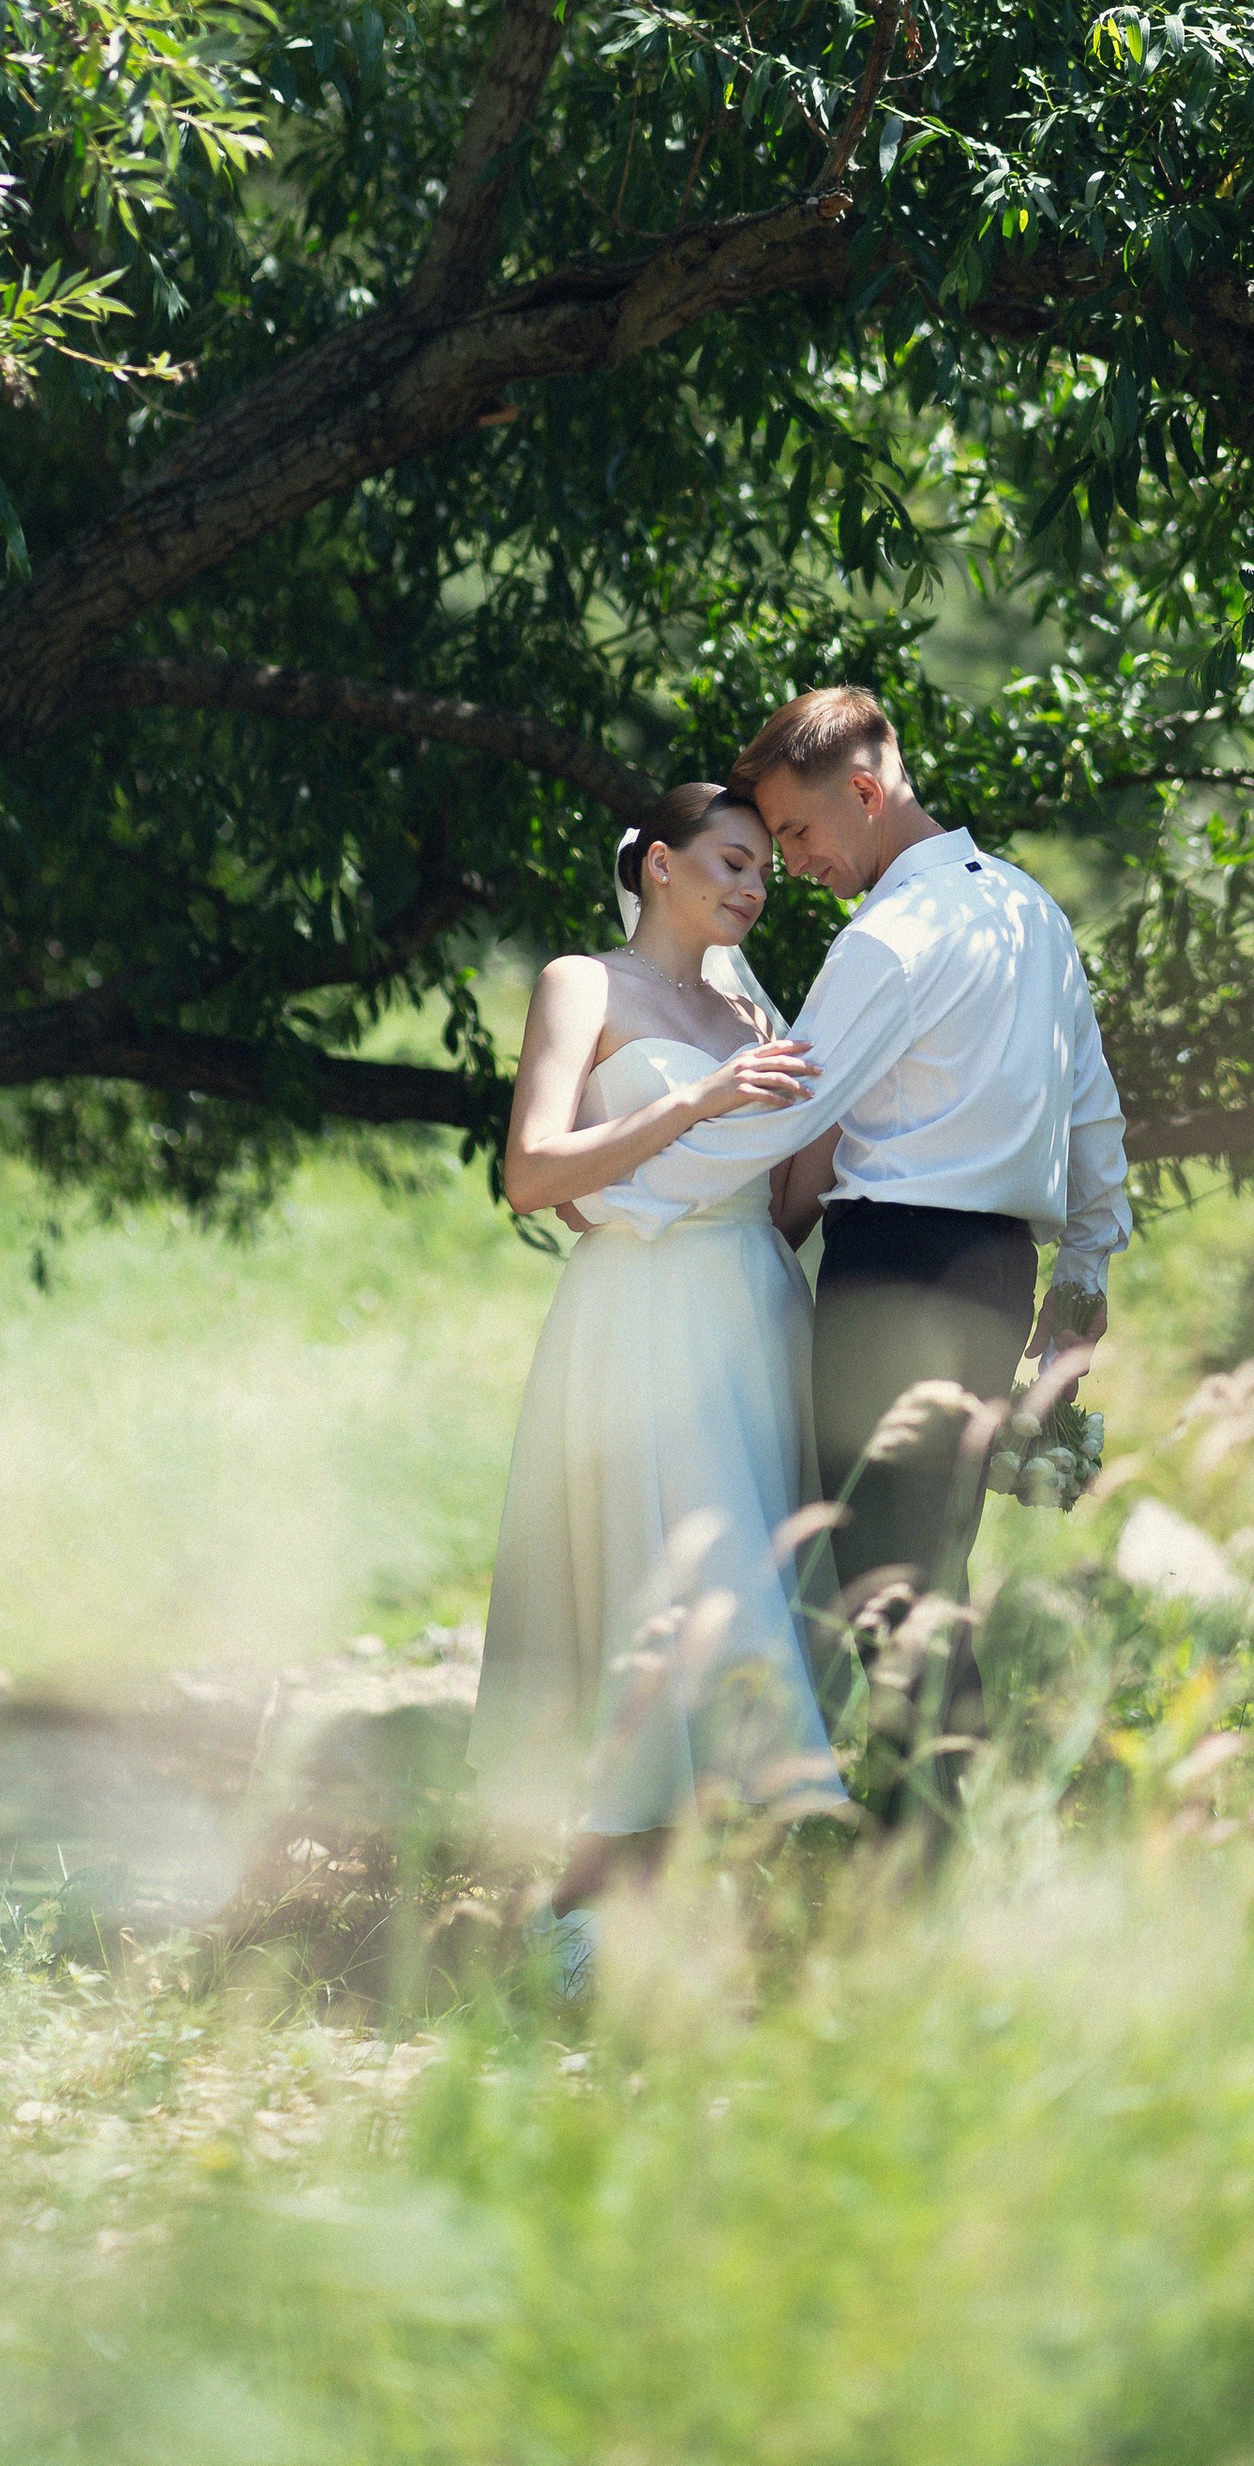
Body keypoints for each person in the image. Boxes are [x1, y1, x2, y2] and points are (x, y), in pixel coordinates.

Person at [644, 686, 1130, 1802]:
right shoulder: (1029, 912)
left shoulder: (892, 937)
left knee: (883, 1577)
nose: (793, 864)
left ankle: (923, 1854)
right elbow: (1091, 1108)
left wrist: (638, 1195)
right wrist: (1085, 1270)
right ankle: (937, 1837)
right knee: (932, 1563)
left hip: (894, 1271)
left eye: (802, 833)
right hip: (998, 1274)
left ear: (865, 792)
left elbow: (783, 1117)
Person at [468, 781, 846, 1967]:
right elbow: (532, 1175)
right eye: (731, 861)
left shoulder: (755, 1005)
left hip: (749, 1310)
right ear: (659, 866)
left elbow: (781, 1203)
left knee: (752, 1589)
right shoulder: (582, 982)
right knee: (644, 1585)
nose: (751, 886)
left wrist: (830, 1108)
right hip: (635, 1309)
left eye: (764, 873)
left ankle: (740, 1891)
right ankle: (596, 1894)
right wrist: (698, 1099)